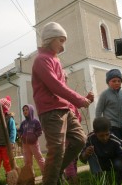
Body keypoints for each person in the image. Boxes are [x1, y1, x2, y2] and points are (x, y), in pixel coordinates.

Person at [31, 22, 94, 185]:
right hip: (51, 111)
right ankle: (50, 180)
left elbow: (62, 86)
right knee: (57, 149)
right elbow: (55, 86)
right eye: (61, 40)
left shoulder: (55, 60)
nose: (63, 44)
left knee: (80, 139)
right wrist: (79, 99)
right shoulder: (41, 60)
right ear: (50, 39)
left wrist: (78, 100)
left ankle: (55, 171)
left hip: (65, 109)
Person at [79, 117, 122, 185]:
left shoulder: (115, 140)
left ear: (109, 131)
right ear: (95, 133)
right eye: (101, 136)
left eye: (107, 134)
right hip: (100, 162)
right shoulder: (90, 139)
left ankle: (119, 180)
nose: (105, 138)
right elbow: (81, 158)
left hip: (114, 161)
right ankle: (100, 180)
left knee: (119, 164)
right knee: (90, 153)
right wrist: (85, 154)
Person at [96, 69, 122, 148]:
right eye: (114, 81)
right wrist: (99, 128)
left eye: (119, 81)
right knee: (117, 147)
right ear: (108, 82)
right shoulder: (104, 95)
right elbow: (98, 111)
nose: (117, 83)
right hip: (111, 127)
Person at [18, 104, 45, 176]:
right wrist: (21, 135)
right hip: (25, 144)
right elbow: (20, 131)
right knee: (27, 161)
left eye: (27, 109)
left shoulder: (36, 121)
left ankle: (45, 173)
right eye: (23, 110)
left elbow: (40, 130)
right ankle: (30, 176)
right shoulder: (23, 123)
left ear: (31, 110)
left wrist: (35, 135)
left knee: (39, 158)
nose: (25, 111)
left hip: (34, 144)